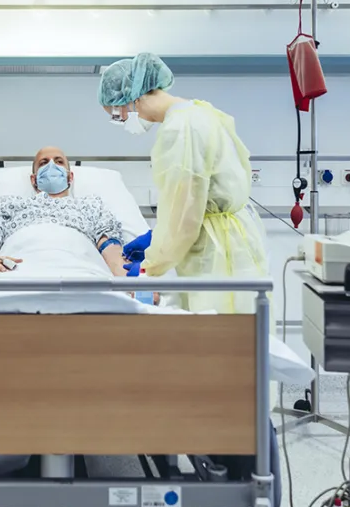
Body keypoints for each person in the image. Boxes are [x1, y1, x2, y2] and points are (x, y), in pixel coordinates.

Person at [97, 52, 268, 314]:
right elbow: (196, 199)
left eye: (118, 116)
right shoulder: (201, 112)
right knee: (244, 332)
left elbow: (183, 216)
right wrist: (156, 237)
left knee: (218, 336)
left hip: (214, 252)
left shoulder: (179, 130)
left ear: (132, 100)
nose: (122, 123)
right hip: (234, 239)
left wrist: (149, 266)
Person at [0, 146, 128, 277]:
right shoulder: (9, 205)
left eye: (59, 162)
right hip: (16, 273)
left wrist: (129, 284)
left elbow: (111, 251)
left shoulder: (92, 206)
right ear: (33, 179)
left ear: (70, 177)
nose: (51, 166)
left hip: (80, 271)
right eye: (43, 163)